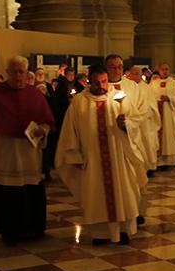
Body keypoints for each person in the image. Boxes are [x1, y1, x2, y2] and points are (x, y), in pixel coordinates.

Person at [0, 57, 54, 246]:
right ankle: (10, 231)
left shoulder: (35, 94)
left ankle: (34, 229)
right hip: (5, 151)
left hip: (28, 152)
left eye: (21, 71)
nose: (18, 75)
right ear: (7, 72)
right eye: (14, 71)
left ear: (26, 72)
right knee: (7, 195)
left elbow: (47, 121)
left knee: (31, 192)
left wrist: (42, 130)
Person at [56, 64, 146, 244]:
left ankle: (122, 231)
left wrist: (125, 124)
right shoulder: (79, 101)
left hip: (118, 156)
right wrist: (74, 156)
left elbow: (136, 121)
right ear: (90, 81)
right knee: (96, 195)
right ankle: (99, 234)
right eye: (97, 82)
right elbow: (69, 132)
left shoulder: (119, 97)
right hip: (93, 159)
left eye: (104, 81)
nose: (101, 85)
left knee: (122, 192)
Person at [126, 66, 160, 176]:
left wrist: (143, 112)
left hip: (146, 122)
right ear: (129, 74)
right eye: (134, 73)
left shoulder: (146, 88)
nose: (136, 75)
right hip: (132, 121)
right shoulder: (127, 87)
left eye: (138, 73)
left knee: (147, 143)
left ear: (141, 75)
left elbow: (152, 105)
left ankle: (149, 167)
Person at [151, 62, 175, 169]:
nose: (164, 71)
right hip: (157, 114)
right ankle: (158, 161)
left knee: (168, 136)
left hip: (169, 115)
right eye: (162, 69)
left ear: (169, 70)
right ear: (159, 70)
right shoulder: (153, 83)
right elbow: (148, 97)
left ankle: (168, 161)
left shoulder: (174, 84)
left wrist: (170, 98)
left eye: (166, 69)